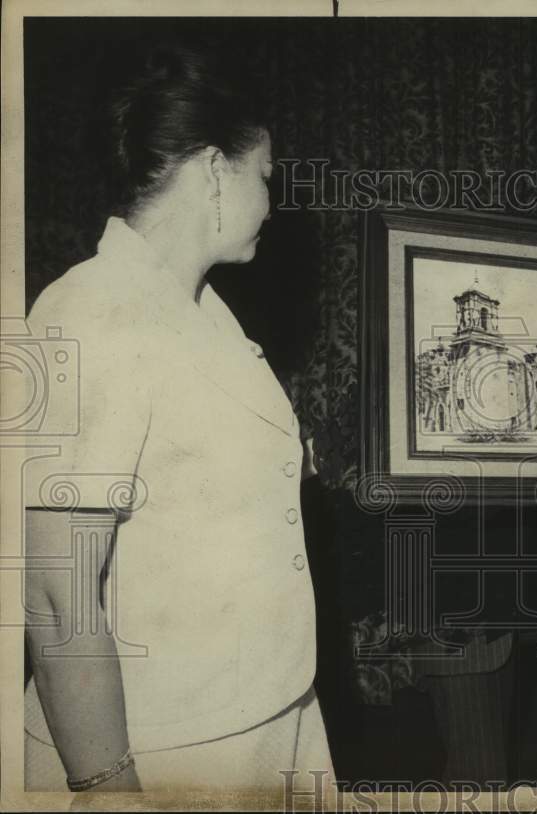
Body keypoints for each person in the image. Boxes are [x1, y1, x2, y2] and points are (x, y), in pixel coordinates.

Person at [22, 45, 335, 792]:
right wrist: (106, 783)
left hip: (262, 708)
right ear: (212, 169)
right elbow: (53, 590)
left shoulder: (205, 312)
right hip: (164, 744)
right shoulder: (92, 310)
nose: (271, 200)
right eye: (264, 176)